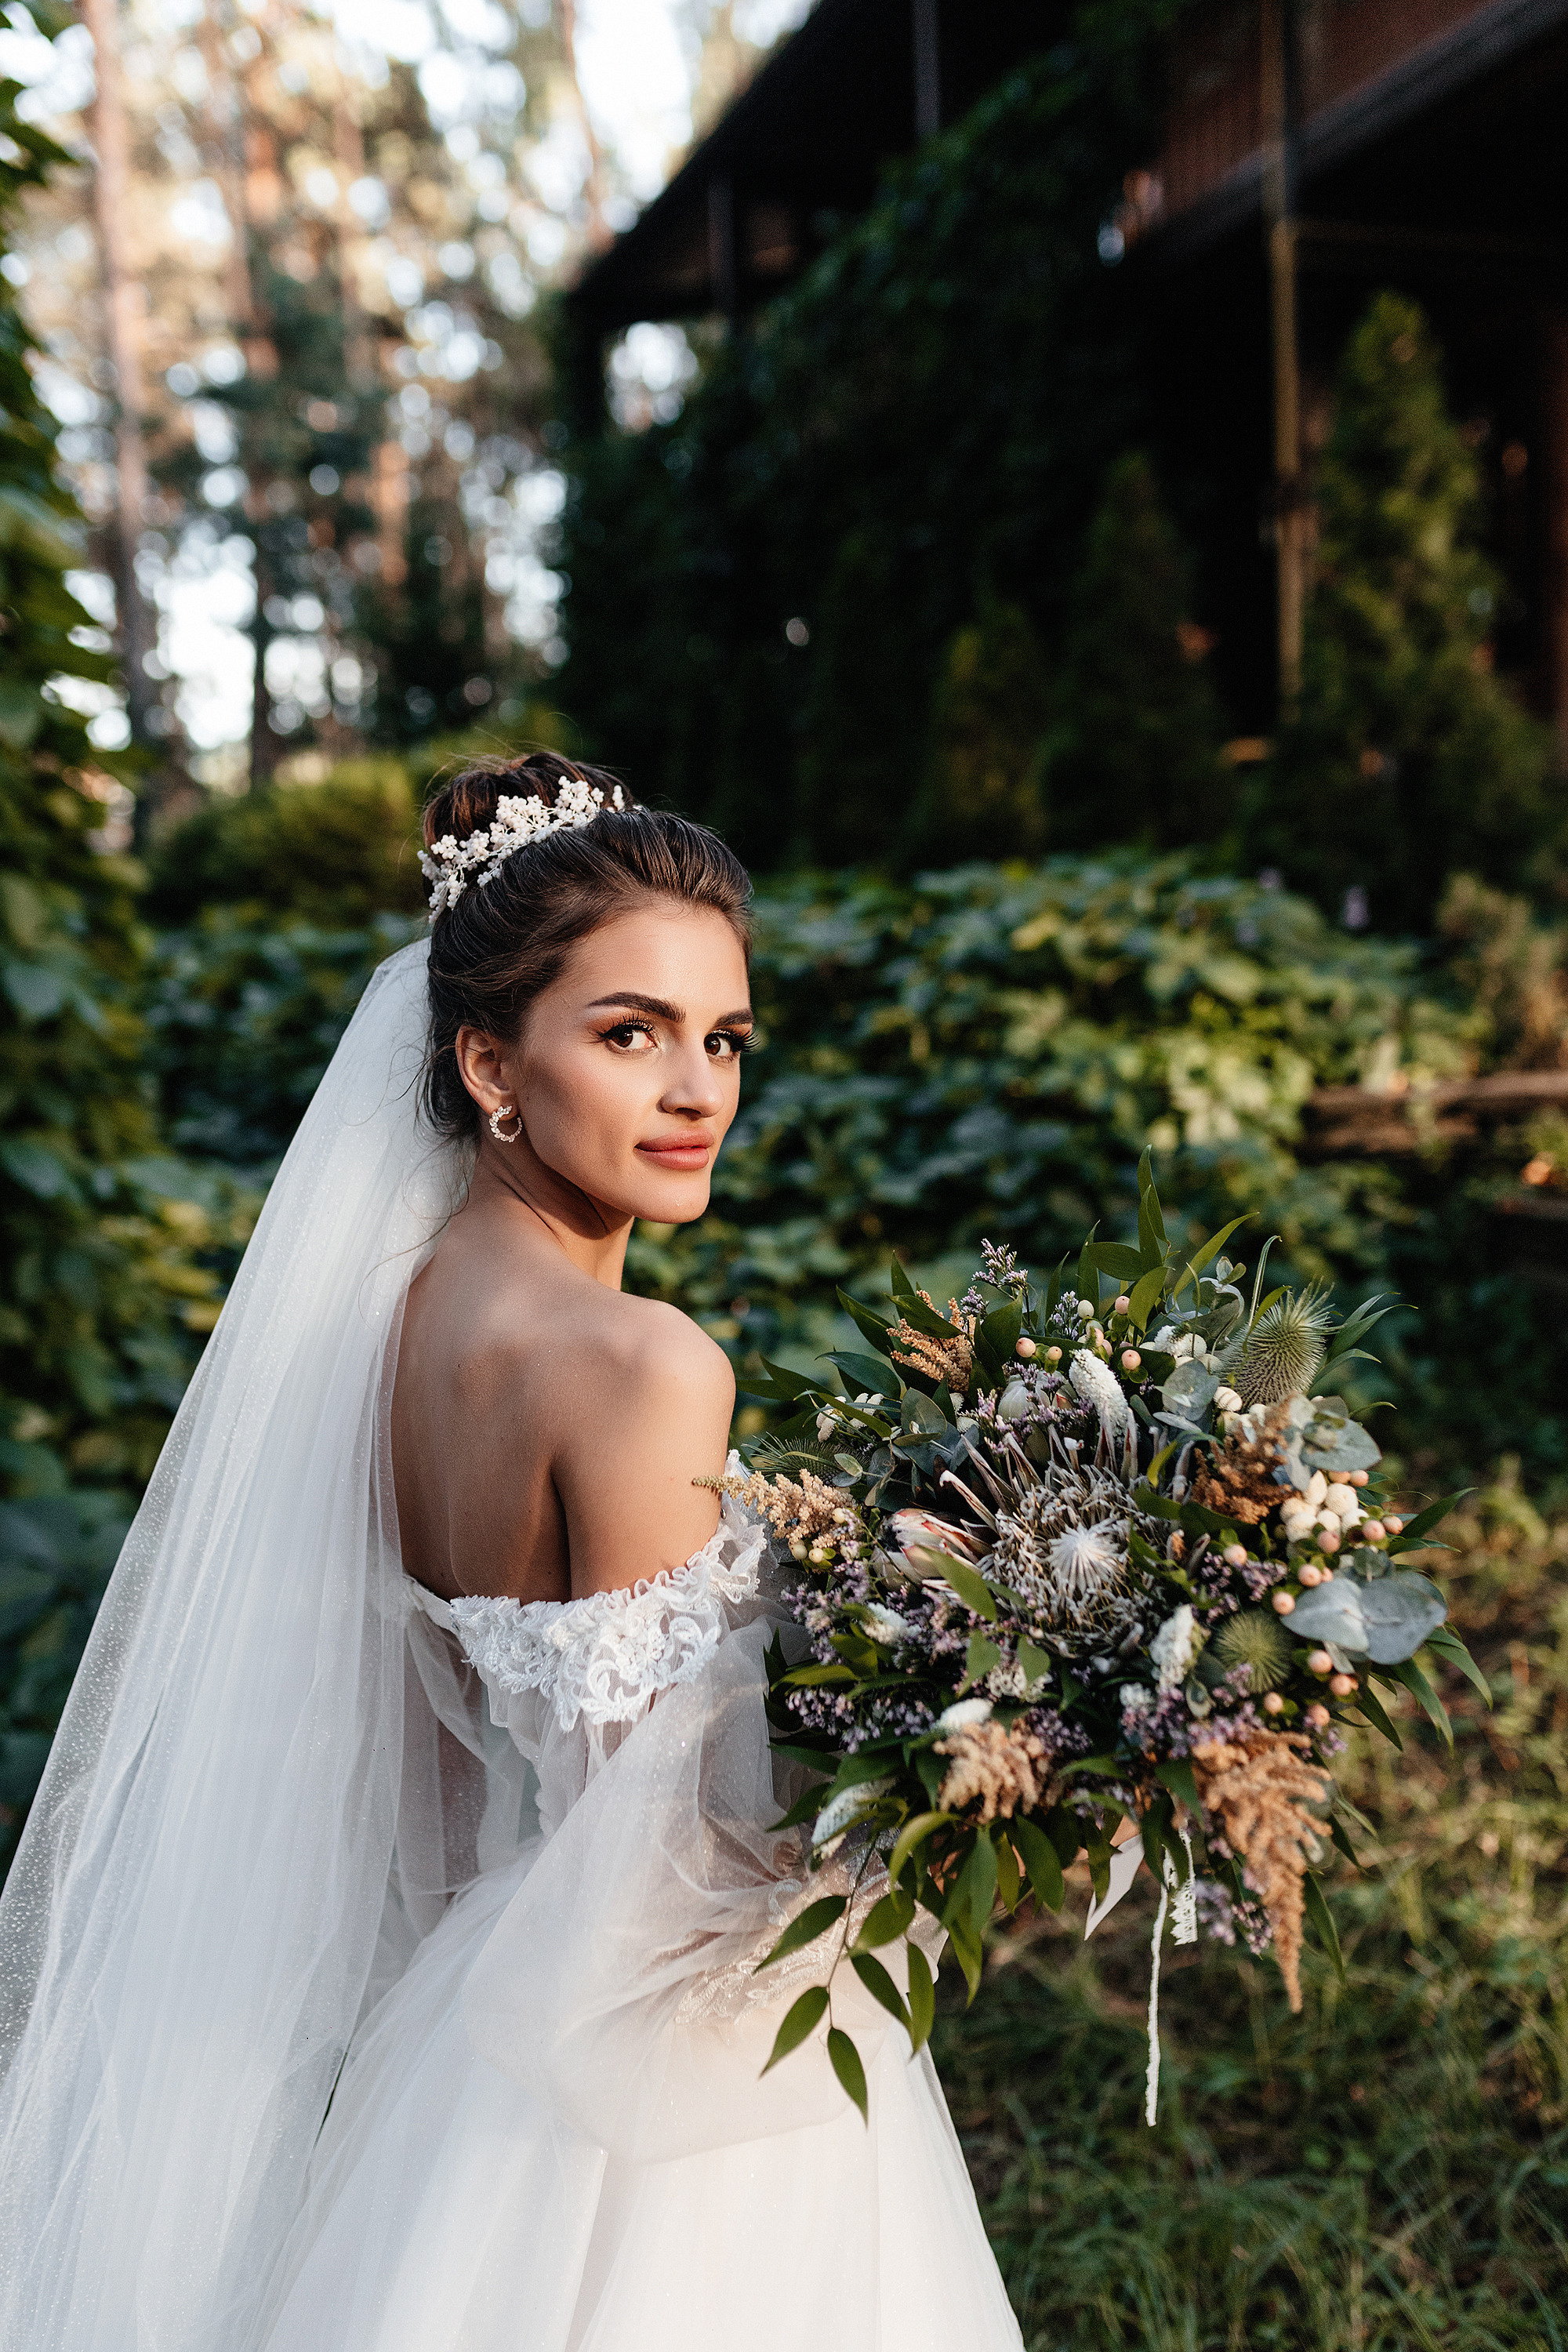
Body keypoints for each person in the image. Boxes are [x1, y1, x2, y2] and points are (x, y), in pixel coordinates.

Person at [0, 756, 1024, 2351]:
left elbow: (446, 1789)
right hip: (644, 2082)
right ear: (491, 1064)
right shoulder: (638, 1366)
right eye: (629, 1034)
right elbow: (670, 1871)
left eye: (722, 1039)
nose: (697, 1094)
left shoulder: (382, 1329)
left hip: (466, 2036)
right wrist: (974, 1789)